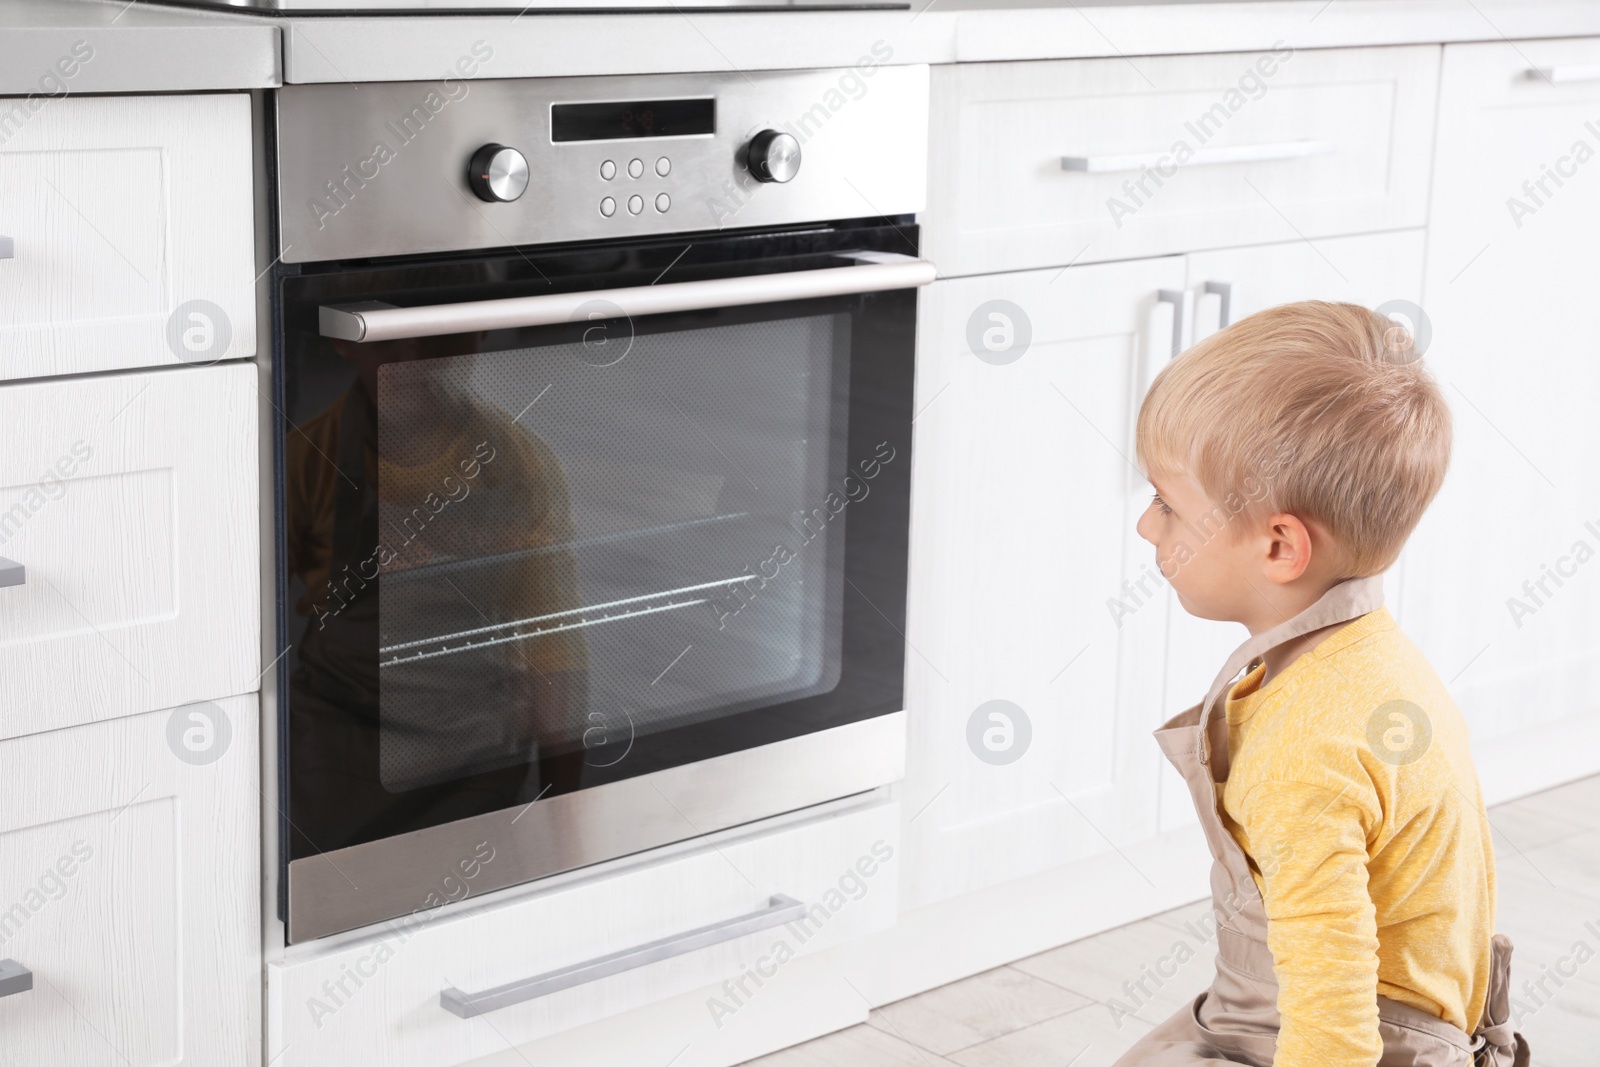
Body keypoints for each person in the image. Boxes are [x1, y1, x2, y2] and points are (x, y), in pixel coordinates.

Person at [1114, 302, 1528, 1066]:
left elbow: (1332, 1020)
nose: (1148, 526)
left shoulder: (1305, 748)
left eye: (1169, 504)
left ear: (1280, 545)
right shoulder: (1373, 661)